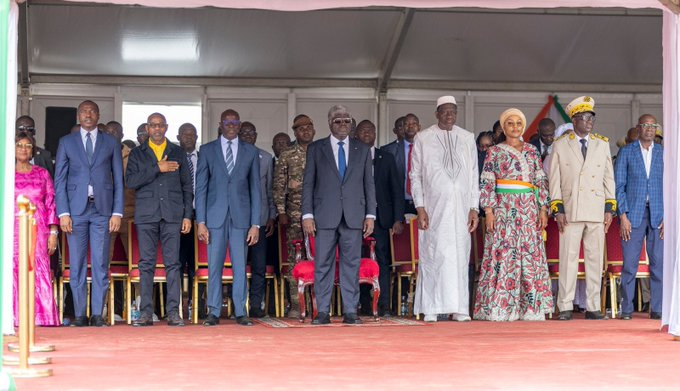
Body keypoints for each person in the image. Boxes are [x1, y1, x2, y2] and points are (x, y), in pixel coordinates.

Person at [473, 108, 552, 321]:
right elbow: (487, 181)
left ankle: (531, 308)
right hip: (503, 209)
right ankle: (501, 307)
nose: (515, 127)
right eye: (510, 123)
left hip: (528, 209)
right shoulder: (494, 151)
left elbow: (540, 180)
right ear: (503, 126)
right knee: (504, 253)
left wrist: (543, 208)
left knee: (529, 254)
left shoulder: (532, 151)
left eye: (519, 123)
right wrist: (488, 211)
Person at [301, 105, 376, 325]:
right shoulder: (316, 148)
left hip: (354, 215)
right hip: (324, 215)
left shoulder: (361, 149)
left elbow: (368, 184)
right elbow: (308, 184)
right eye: (338, 121)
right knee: (323, 263)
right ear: (329, 123)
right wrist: (307, 215)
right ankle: (322, 312)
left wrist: (370, 214)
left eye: (347, 121)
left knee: (350, 264)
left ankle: (350, 311)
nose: (343, 124)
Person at [54, 100, 124, 327]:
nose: (88, 115)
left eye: (92, 111)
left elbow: (118, 180)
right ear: (78, 116)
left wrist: (117, 212)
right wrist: (63, 212)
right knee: (77, 264)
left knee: (101, 263)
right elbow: (60, 180)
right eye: (84, 111)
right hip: (75, 212)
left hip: (102, 210)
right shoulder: (67, 142)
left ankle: (97, 314)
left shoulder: (110, 142)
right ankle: (80, 315)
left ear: (98, 115)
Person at [410, 96, 480, 322]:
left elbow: (473, 175)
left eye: (453, 112)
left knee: (460, 256)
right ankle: (431, 307)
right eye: (445, 112)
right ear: (437, 113)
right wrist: (420, 208)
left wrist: (473, 207)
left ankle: (460, 308)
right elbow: (416, 175)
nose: (449, 116)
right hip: (434, 209)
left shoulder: (467, 137)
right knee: (434, 255)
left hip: (461, 210)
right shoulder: (423, 138)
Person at [549, 96, 616, 321]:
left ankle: (593, 306)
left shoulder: (602, 143)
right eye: (585, 117)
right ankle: (565, 305)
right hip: (571, 208)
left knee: (595, 258)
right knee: (567, 258)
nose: (589, 122)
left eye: (591, 117)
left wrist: (610, 206)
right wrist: (557, 208)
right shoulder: (560, 144)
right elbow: (554, 180)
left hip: (596, 208)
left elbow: (609, 177)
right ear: (574, 119)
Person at [125, 113, 193, 327]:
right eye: (152, 126)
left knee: (173, 263)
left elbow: (186, 186)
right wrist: (157, 168)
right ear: (147, 128)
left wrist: (187, 216)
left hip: (172, 214)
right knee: (146, 264)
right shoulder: (137, 153)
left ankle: (173, 312)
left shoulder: (178, 152)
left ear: (166, 128)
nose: (156, 129)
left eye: (160, 125)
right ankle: (146, 313)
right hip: (146, 214)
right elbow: (131, 181)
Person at [195, 109, 260, 327]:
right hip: (214, 218)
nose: (231, 125)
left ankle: (241, 311)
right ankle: (213, 311)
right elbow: (201, 188)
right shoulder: (206, 150)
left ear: (240, 125)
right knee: (215, 266)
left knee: (240, 266)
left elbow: (256, 190)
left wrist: (255, 224)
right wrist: (200, 221)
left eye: (235, 122)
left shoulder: (250, 152)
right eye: (227, 122)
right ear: (220, 124)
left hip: (242, 218)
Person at [615, 114, 664, 320]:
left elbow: (671, 186)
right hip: (633, 215)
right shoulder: (626, 152)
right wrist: (623, 215)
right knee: (630, 264)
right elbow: (619, 186)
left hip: (658, 215)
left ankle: (658, 309)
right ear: (639, 128)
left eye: (653, 126)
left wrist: (668, 216)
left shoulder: (664, 153)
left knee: (658, 265)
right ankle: (627, 309)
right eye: (646, 126)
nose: (650, 129)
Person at [355, 120, 404, 317]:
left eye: (371, 130)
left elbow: (396, 190)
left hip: (382, 220)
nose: (367, 133)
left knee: (382, 261)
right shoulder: (352, 156)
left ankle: (383, 304)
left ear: (376, 134)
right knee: (357, 261)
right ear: (356, 134)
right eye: (363, 130)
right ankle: (362, 304)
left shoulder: (387, 157)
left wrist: (398, 218)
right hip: (356, 219)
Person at [13, 132, 60, 326]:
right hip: (12, 230)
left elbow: (51, 203)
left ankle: (42, 316)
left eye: (27, 146)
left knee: (36, 267)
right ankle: (13, 316)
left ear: (33, 150)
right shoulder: (6, 173)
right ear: (13, 149)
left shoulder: (42, 173)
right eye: (20, 145)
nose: (24, 149)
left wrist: (53, 232)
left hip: (38, 228)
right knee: (13, 268)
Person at [273, 115, 315, 318]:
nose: (306, 131)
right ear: (295, 132)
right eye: (301, 129)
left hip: (320, 216)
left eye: (309, 127)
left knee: (318, 259)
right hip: (295, 215)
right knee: (295, 260)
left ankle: (318, 304)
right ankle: (297, 305)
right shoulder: (287, 155)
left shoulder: (322, 151)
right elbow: (279, 186)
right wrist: (281, 212)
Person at [238, 121, 276, 318]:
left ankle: (255, 305)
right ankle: (238, 305)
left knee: (259, 265)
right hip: (238, 219)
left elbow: (269, 190)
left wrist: (271, 215)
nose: (247, 136)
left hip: (260, 220)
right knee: (238, 264)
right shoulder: (234, 155)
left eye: (251, 133)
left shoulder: (266, 158)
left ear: (256, 135)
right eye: (243, 133)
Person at [383, 113, 421, 215]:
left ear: (419, 127)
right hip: (397, 202)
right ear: (403, 128)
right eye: (407, 124)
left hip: (422, 203)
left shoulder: (428, 149)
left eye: (414, 123)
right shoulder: (389, 150)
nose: (411, 126)